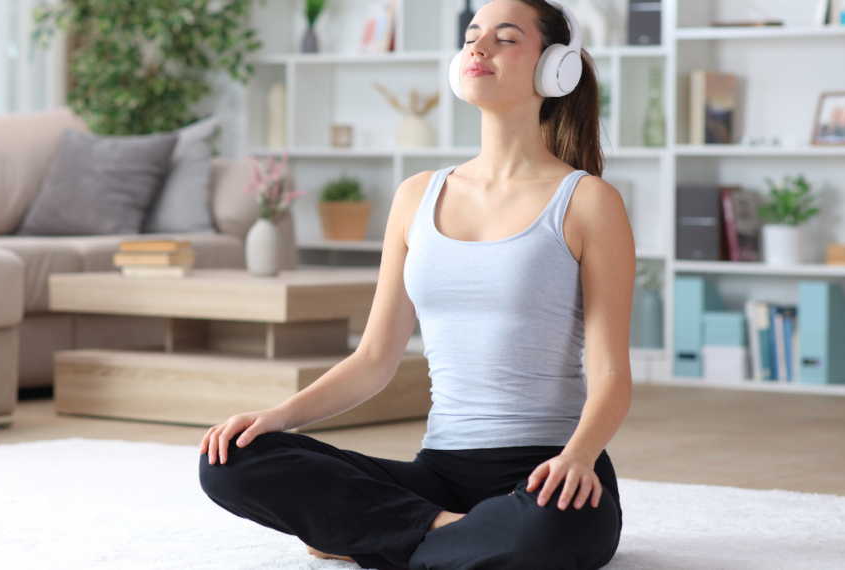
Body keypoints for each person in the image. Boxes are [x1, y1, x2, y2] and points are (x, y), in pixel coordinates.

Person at [198, 0, 634, 568]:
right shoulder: (416, 196)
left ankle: (375, 533)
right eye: (471, 35)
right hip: (439, 474)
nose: (478, 47)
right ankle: (454, 535)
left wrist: (579, 457)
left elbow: (611, 375)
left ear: (556, 68)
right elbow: (374, 359)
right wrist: (279, 417)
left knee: (549, 529)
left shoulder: (588, 201)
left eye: (505, 38)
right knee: (229, 460)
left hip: (548, 472)